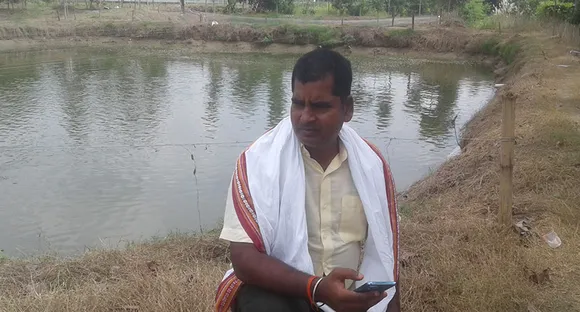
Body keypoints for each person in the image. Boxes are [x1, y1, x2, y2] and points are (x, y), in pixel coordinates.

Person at [215, 48, 400, 312]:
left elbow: (386, 253)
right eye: (298, 103)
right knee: (260, 302)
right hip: (286, 295)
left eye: (320, 106)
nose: (305, 117)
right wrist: (316, 288)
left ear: (347, 109)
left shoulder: (372, 166)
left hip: (347, 301)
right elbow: (243, 260)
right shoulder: (258, 162)